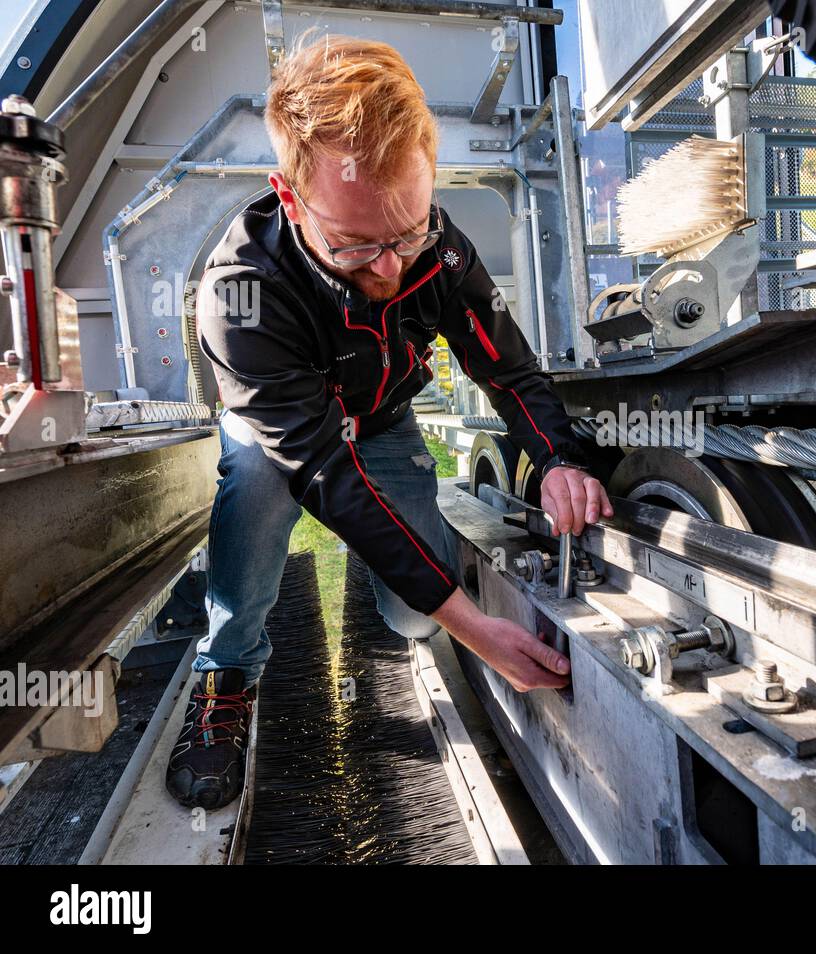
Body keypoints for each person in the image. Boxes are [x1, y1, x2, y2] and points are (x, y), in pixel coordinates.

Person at [165, 35, 612, 810]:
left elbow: (506, 369)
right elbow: (322, 475)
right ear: (289, 193)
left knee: (413, 619)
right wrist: (476, 627)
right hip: (289, 441)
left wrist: (558, 459)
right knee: (257, 479)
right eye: (354, 243)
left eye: (404, 232)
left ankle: (401, 585)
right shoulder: (241, 294)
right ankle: (226, 671)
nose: (388, 268)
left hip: (382, 421)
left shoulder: (438, 248)